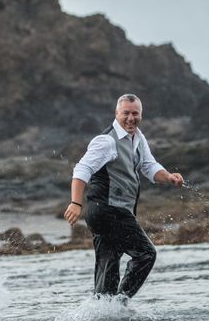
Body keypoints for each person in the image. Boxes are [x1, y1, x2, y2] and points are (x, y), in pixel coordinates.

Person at [64, 94, 183, 299]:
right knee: (146, 254)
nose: (130, 118)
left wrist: (170, 177)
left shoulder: (137, 137)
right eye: (125, 113)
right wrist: (76, 202)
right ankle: (120, 302)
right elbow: (82, 169)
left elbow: (148, 165)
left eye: (135, 113)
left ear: (141, 115)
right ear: (116, 114)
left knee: (108, 266)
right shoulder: (106, 141)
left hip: (111, 212)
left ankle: (101, 311)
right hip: (107, 210)